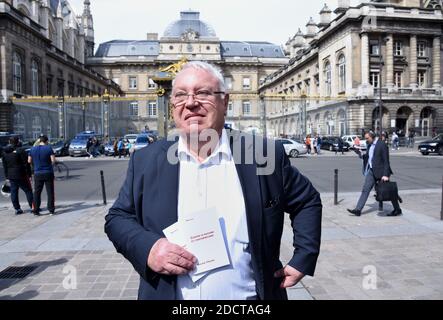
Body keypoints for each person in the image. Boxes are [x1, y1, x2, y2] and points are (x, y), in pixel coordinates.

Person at [105, 61, 322, 300]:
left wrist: (304, 257)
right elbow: (117, 218)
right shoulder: (146, 161)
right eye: (180, 95)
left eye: (203, 93)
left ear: (225, 102)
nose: (190, 103)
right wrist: (148, 248)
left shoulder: (261, 155)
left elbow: (307, 201)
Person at [347, 131, 402, 217]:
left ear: (372, 137)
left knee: (389, 191)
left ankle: (397, 209)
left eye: (367, 138)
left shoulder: (381, 144)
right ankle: (358, 210)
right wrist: (359, 153)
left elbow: (386, 161)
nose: (366, 140)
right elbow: (368, 157)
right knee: (365, 189)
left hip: (381, 172)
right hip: (372, 171)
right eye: (365, 138)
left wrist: (385, 175)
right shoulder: (369, 145)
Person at [2, 137, 34, 215]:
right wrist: (29, 174)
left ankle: (17, 209)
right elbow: (26, 164)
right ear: (18, 142)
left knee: (14, 192)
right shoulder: (21, 151)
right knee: (28, 190)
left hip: (11, 175)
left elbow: (5, 166)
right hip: (21, 174)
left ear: (9, 142)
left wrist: (7, 176)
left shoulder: (5, 152)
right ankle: (33, 207)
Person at [28, 135, 56, 216]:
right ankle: (51, 210)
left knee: (37, 192)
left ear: (39, 141)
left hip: (37, 173)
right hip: (48, 172)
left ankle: (36, 210)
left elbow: (29, 161)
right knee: (50, 192)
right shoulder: (48, 148)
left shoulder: (32, 149)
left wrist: (36, 164)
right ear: (46, 141)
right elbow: (53, 160)